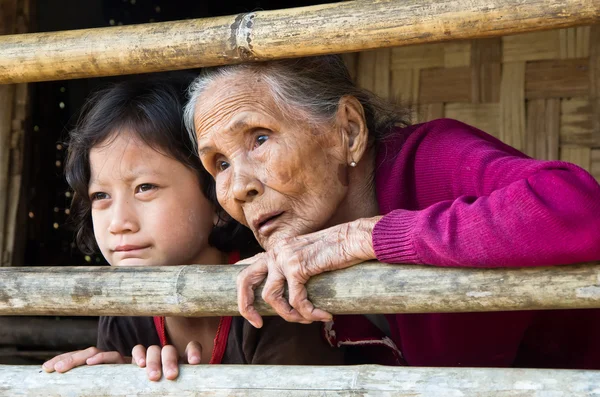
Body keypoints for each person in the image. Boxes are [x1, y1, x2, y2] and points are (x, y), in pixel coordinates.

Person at [185, 55, 600, 368]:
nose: (239, 187)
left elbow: (578, 204)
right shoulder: (285, 262)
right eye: (219, 164)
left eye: (259, 138)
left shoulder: (429, 160)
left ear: (347, 130)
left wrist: (366, 237)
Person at [41, 77, 343, 381]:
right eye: (100, 196)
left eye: (145, 188)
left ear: (216, 199)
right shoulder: (125, 307)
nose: (119, 223)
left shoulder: (271, 294)